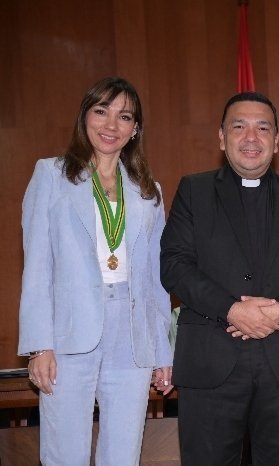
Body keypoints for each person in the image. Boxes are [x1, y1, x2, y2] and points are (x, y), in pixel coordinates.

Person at [160, 91, 279, 465]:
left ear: (277, 140)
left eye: (263, 128)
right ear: (222, 137)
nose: (251, 138)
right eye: (239, 127)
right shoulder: (194, 191)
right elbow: (174, 265)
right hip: (210, 364)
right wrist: (230, 310)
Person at [18, 77, 173, 465]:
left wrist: (161, 351)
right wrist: (40, 344)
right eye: (101, 111)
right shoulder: (51, 176)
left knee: (123, 454)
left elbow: (155, 280)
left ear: (134, 129)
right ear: (85, 117)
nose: (111, 125)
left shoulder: (148, 192)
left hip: (131, 335)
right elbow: (36, 265)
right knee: (64, 453)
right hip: (68, 333)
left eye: (124, 117)